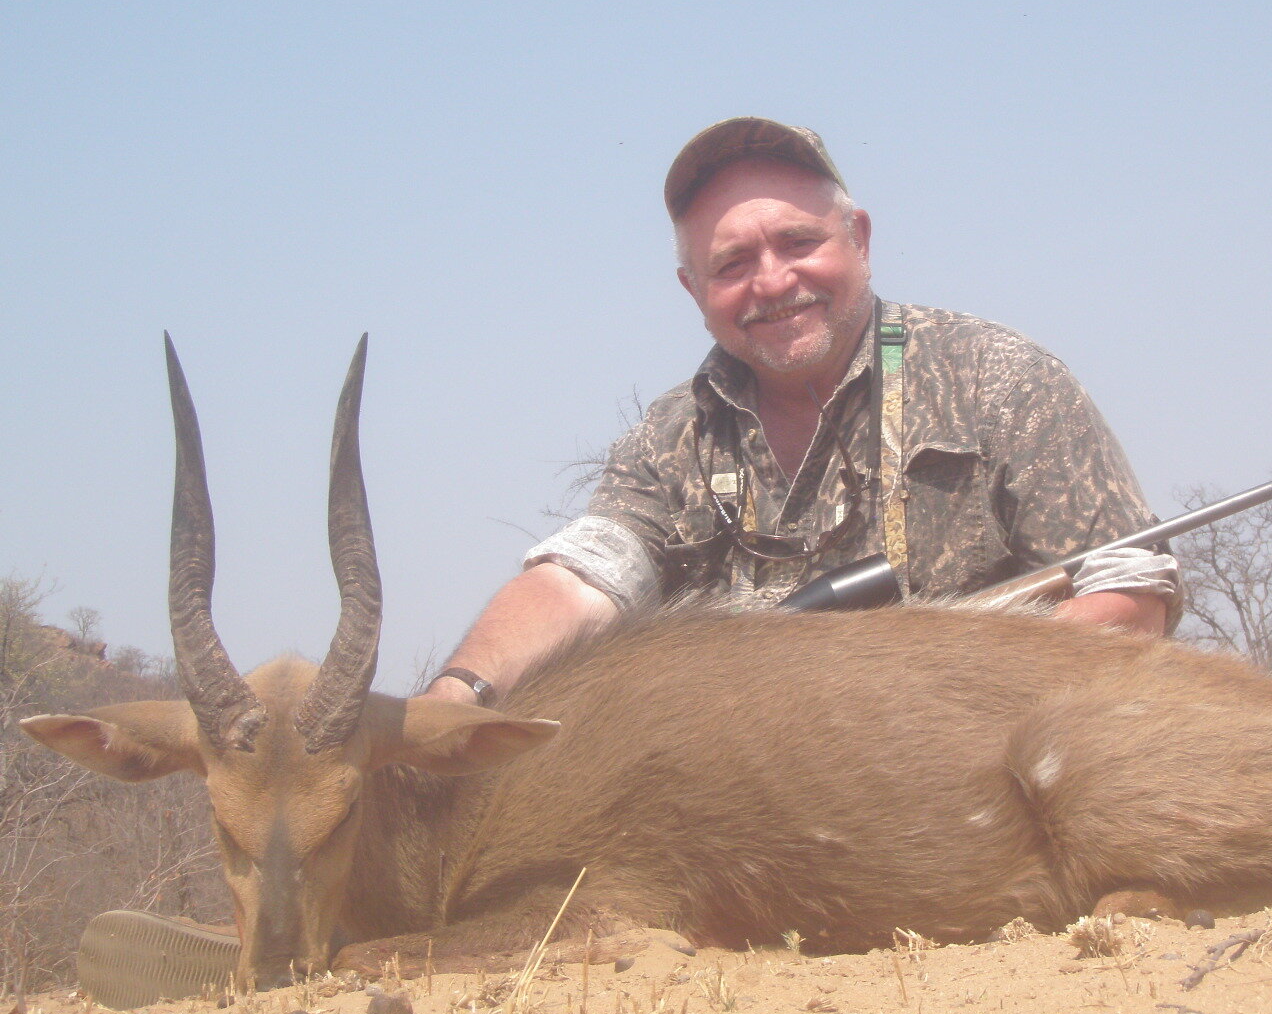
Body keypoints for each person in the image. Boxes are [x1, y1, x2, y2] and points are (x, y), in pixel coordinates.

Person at [426, 117, 1180, 706]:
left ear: (858, 239)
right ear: (693, 291)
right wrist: (459, 694)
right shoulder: (669, 440)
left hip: (988, 753)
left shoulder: (1001, 378)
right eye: (731, 265)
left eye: (798, 241)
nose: (773, 280)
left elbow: (1132, 600)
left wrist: (928, 689)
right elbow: (578, 582)